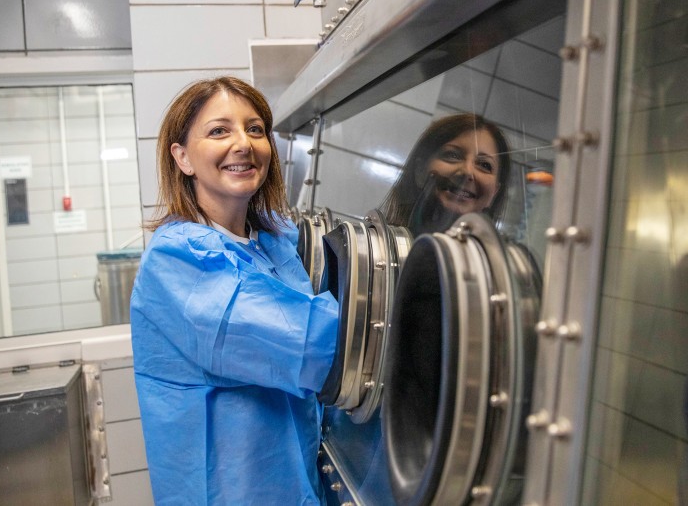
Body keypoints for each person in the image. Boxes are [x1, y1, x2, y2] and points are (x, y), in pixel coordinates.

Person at [130, 76, 339, 505]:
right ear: (182, 157)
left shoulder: (273, 238)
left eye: (255, 128)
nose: (243, 143)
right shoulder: (180, 259)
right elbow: (312, 345)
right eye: (219, 130)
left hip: (292, 478)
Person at [380, 113, 512, 235]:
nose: (467, 172)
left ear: (494, 192)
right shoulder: (374, 249)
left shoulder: (490, 261)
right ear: (419, 170)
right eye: (452, 155)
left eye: (484, 165)